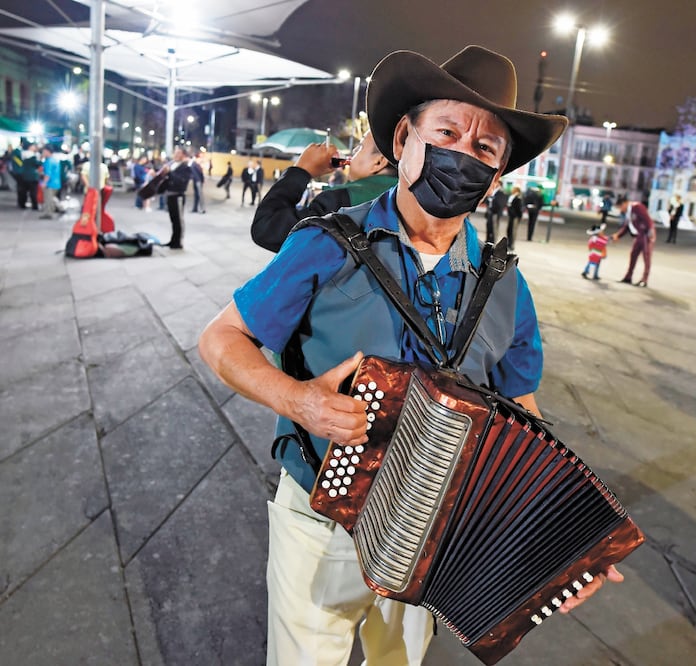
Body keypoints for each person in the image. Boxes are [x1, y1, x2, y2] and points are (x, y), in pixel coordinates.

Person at [198, 45, 622, 666]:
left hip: (436, 533)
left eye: (485, 149)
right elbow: (220, 338)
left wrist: (561, 543)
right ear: (403, 137)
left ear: (498, 176)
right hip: (323, 523)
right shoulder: (326, 243)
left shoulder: (507, 286)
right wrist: (299, 400)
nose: (463, 155)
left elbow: (522, 412)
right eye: (448, 131)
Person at [251, 131, 398, 252]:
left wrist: (301, 170)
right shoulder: (405, 197)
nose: (353, 151)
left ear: (378, 162)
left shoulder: (340, 202)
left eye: (360, 147)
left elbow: (266, 228)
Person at [611, 195, 656, 287]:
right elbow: (627, 226)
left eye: (620, 207)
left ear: (624, 203)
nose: (620, 210)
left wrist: (650, 232)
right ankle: (628, 276)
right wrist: (618, 235)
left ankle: (644, 279)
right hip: (638, 236)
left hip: (645, 235)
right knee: (633, 255)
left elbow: (648, 220)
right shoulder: (628, 212)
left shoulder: (637, 207)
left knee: (646, 257)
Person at [157, 146, 192, 249]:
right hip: (170, 195)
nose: (176, 155)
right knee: (173, 219)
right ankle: (173, 240)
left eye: (178, 153)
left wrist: (170, 173)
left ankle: (178, 241)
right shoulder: (172, 165)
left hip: (178, 196)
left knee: (178, 219)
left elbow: (181, 181)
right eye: (175, 153)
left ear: (183, 155)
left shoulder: (186, 167)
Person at [40, 144, 62, 219]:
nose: (42, 153)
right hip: (56, 183)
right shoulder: (54, 160)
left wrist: (44, 183)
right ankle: (61, 208)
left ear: (47, 151)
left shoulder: (48, 161)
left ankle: (48, 214)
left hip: (50, 183)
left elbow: (47, 174)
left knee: (48, 199)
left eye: (43, 151)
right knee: (52, 198)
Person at [506, 185, 523, 250]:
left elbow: (518, 209)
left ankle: (511, 245)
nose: (512, 190)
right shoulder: (512, 196)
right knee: (509, 230)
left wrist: (518, 216)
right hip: (511, 216)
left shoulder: (518, 198)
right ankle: (509, 243)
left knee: (513, 231)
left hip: (515, 217)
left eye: (514, 189)